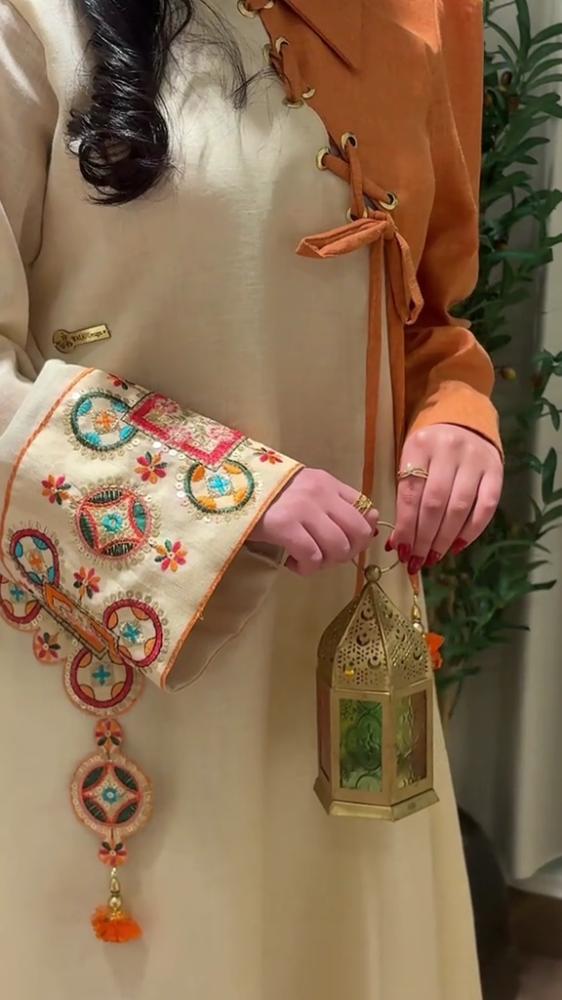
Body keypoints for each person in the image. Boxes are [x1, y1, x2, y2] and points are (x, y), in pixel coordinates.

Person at [0, 1, 503, 998]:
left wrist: (455, 410)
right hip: (128, 651)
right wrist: (218, 498)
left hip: (341, 658)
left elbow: (426, 312)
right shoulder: (31, 23)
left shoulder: (409, 17)